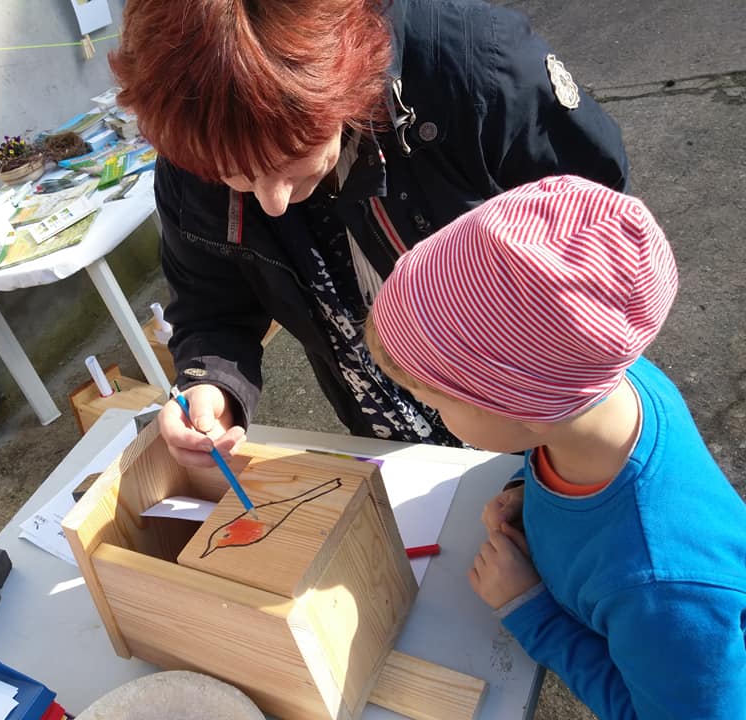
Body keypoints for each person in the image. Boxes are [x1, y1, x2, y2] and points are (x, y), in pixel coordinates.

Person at [109, 0, 630, 467]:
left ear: (341, 85)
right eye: (235, 176)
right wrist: (212, 385)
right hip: (386, 432)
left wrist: (557, 459)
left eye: (290, 158)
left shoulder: (479, 69)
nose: (273, 201)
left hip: (531, 422)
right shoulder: (197, 145)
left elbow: (600, 247)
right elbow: (211, 306)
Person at [366, 175, 746, 718]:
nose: (429, 412)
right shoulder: (610, 382)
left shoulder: (662, 589)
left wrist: (530, 611)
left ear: (520, 408)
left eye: (432, 399)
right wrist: (529, 485)